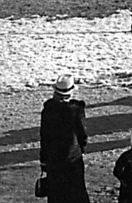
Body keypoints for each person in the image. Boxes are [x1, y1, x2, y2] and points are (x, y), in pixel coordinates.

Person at [39, 74, 89, 203]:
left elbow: (44, 136)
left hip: (54, 158)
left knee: (57, 194)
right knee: (76, 191)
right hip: (72, 156)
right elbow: (82, 133)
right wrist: (82, 148)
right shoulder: (76, 110)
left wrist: (44, 161)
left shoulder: (48, 109)